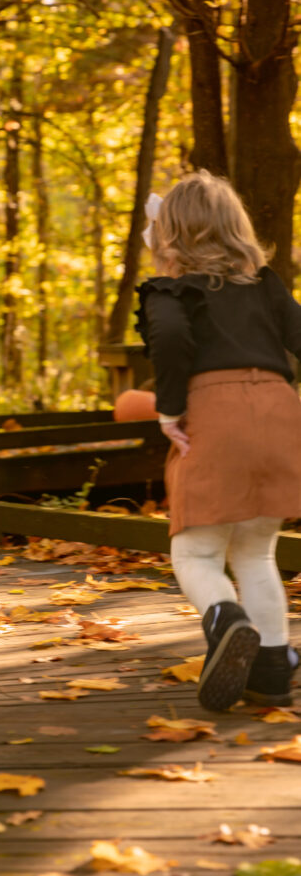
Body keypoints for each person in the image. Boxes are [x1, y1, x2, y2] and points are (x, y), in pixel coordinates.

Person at [137, 170, 301, 710]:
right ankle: (273, 671)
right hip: (280, 411)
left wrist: (170, 410)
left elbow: (171, 337)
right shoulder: (266, 283)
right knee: (255, 553)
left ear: (170, 236)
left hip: (215, 410)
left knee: (197, 553)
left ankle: (223, 618)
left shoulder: (168, 290)